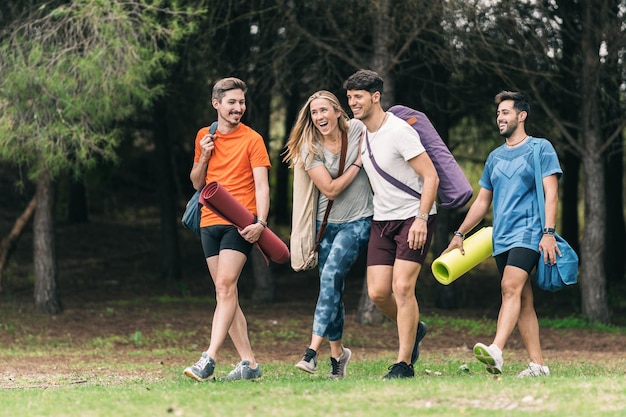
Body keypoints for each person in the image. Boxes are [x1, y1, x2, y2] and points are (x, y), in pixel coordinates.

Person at [442, 91, 562, 377]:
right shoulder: (494, 157)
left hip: (530, 232)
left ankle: (496, 349)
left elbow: (551, 194)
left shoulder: (540, 148)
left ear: (522, 115)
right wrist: (460, 233)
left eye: (505, 112)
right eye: (498, 114)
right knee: (522, 301)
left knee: (509, 287)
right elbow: (483, 201)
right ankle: (538, 366)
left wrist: (548, 232)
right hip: (501, 237)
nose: (500, 118)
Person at [343, 70, 439, 379]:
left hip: (413, 216)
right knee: (378, 293)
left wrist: (422, 218)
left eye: (358, 96)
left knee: (401, 287)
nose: (352, 102)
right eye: (349, 97)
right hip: (382, 219)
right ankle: (415, 328)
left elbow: (431, 176)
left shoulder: (399, 132)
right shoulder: (360, 131)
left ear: (375, 97)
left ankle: (404, 363)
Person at [183, 77, 270, 382]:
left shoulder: (253, 139)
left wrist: (260, 222)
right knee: (226, 293)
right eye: (232, 102)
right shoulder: (203, 136)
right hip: (209, 222)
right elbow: (196, 182)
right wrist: (205, 154)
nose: (238, 108)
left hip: (240, 223)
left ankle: (209, 358)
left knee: (224, 287)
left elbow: (262, 185)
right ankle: (249, 363)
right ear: (216, 104)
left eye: (241, 102)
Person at [283, 91, 373, 379]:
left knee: (331, 275)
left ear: (337, 112)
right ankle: (338, 356)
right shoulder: (311, 147)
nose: (320, 117)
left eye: (324, 110)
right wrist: (357, 164)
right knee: (331, 286)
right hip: (326, 226)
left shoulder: (358, 129)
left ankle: (311, 352)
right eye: (314, 113)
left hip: (358, 220)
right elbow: (330, 189)